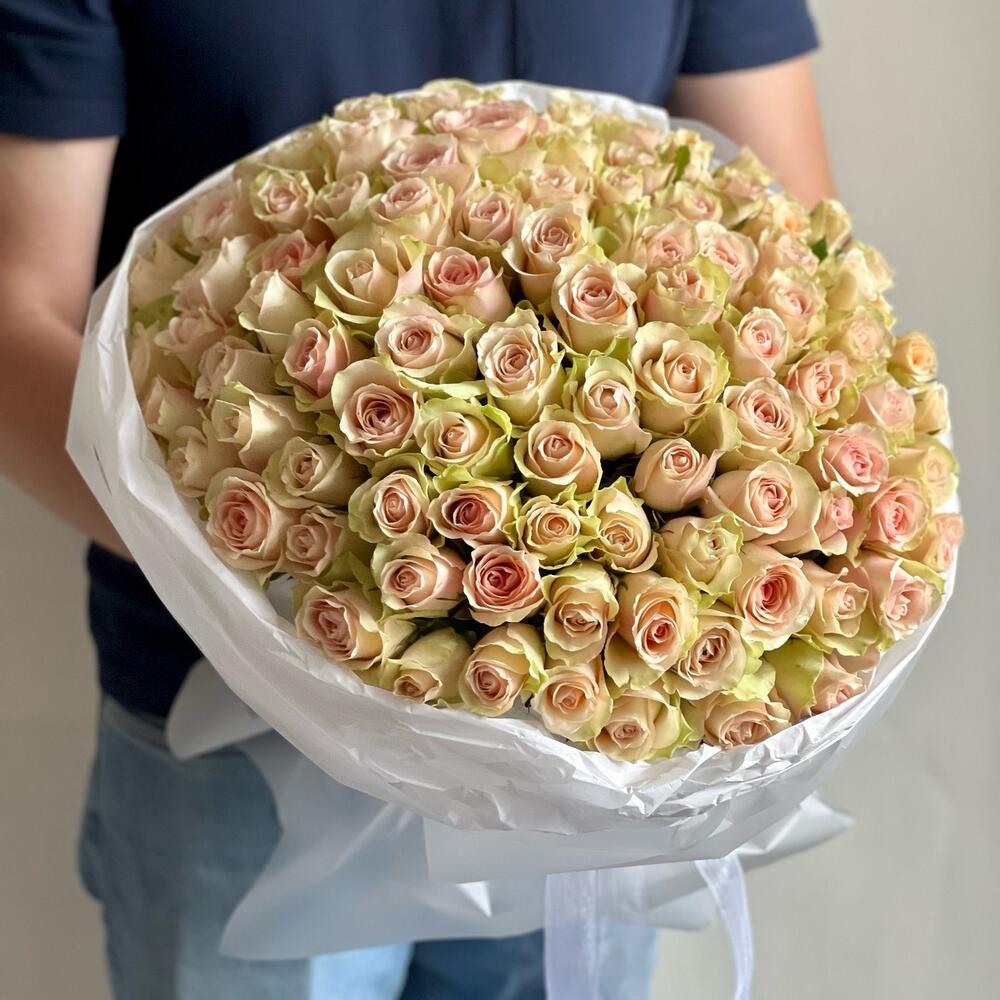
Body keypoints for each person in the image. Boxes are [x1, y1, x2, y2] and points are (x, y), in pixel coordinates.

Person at [0, 2, 834, 997]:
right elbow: (16, 316)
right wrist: (294, 568)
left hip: (586, 757)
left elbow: (795, 263)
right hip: (233, 723)